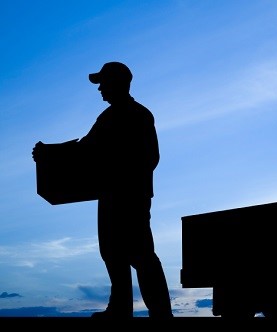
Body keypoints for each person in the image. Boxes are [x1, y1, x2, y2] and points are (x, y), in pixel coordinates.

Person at [34, 62, 173, 320]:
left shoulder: (129, 115)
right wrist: (52, 151)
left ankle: (157, 312)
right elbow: (86, 147)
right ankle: (125, 308)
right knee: (114, 252)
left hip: (126, 196)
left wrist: (50, 152)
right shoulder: (116, 116)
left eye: (103, 83)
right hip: (116, 193)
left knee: (138, 253)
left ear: (117, 83)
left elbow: (145, 157)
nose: (99, 89)